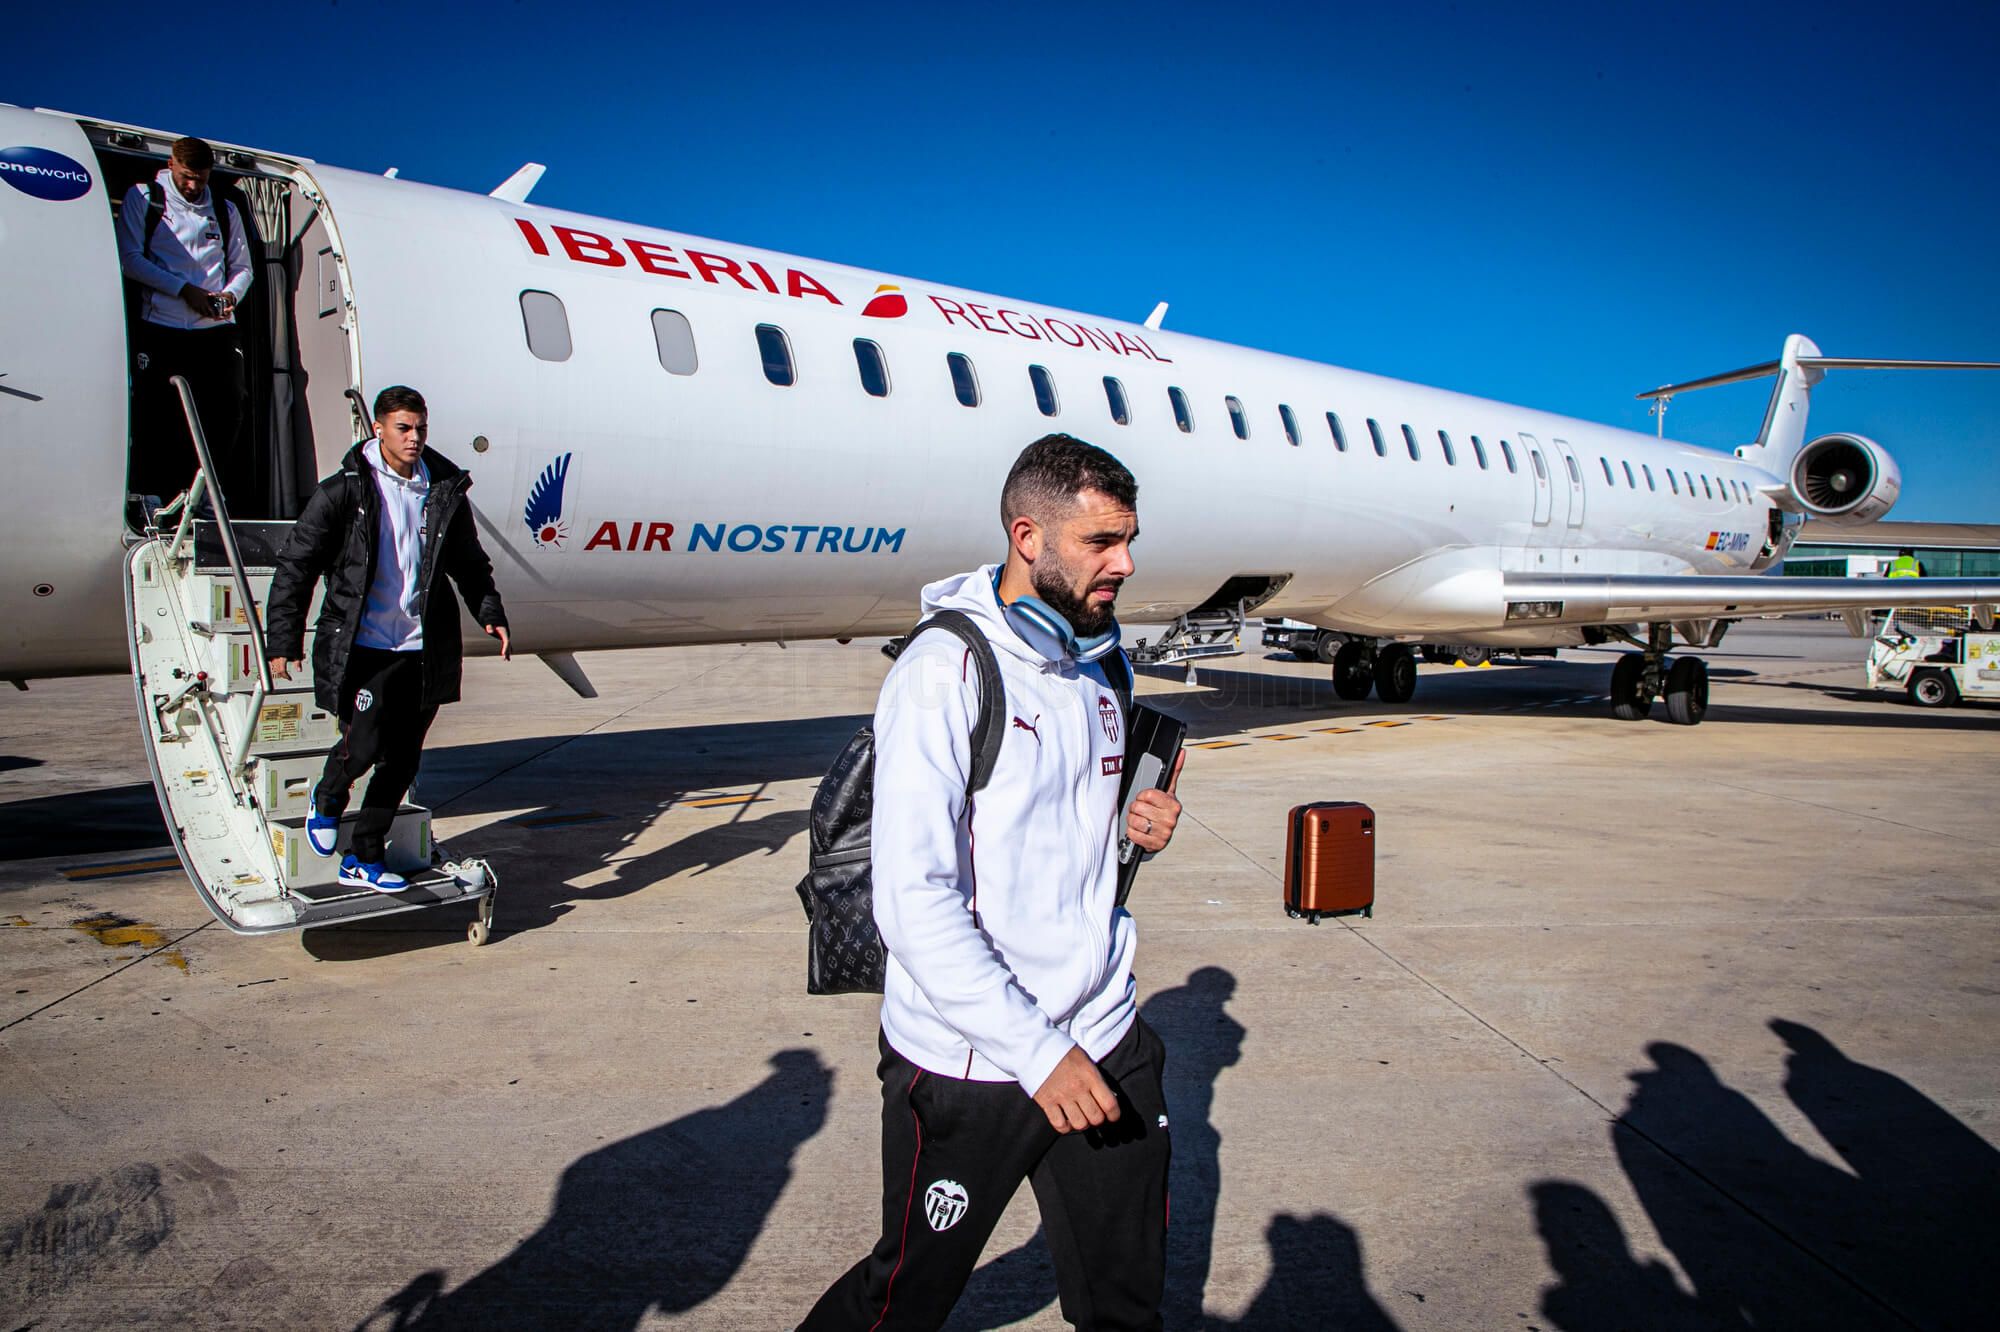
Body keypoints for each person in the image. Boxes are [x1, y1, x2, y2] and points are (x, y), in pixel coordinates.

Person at [802, 434, 1187, 1331]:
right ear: (1029, 537)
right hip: (974, 1057)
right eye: (1101, 543)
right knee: (903, 1297)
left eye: (1129, 539)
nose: (1124, 565)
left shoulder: (1102, 657)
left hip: (1103, 1030)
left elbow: (1066, 827)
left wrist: (1137, 831)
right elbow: (915, 901)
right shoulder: (946, 670)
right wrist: (1037, 1053)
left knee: (1126, 1300)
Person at [263, 386, 510, 892]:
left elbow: (468, 560)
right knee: (363, 745)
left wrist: (489, 610)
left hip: (423, 645)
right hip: (366, 644)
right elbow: (297, 565)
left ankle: (365, 855)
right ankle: (328, 797)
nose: (415, 438)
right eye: (404, 428)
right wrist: (282, 639)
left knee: (403, 759)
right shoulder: (344, 491)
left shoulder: (443, 489)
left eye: (421, 428)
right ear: (378, 428)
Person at [115, 136, 255, 516]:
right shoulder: (145, 198)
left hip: (215, 328)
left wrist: (229, 296)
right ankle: (154, 493)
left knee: (227, 410)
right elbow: (130, 259)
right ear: (172, 164)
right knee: (161, 413)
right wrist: (183, 290)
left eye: (201, 178)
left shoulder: (224, 210)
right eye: (187, 177)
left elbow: (243, 268)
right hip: (162, 323)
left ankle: (207, 492)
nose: (193, 186)